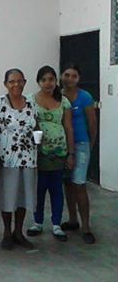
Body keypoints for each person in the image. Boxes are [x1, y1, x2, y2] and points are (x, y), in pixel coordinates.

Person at [0, 68, 38, 250]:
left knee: (23, 196)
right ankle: (7, 233)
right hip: (6, 159)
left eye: (19, 81)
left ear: (25, 82)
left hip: (28, 158)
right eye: (11, 81)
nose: (16, 84)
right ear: (5, 84)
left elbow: (36, 126)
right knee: (8, 196)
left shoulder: (31, 104)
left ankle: (19, 232)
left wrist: (38, 138)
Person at [27, 65, 74, 242]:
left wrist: (70, 153)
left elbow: (68, 127)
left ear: (56, 81)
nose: (48, 83)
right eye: (44, 79)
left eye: (51, 79)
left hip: (59, 152)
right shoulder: (30, 100)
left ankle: (56, 224)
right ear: (38, 82)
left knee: (56, 189)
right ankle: (37, 222)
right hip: (38, 153)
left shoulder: (64, 101)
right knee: (39, 189)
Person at [60, 63, 97, 244]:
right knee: (68, 183)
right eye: (67, 75)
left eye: (74, 76)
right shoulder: (57, 95)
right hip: (63, 146)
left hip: (81, 145)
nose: (70, 79)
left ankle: (86, 226)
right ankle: (73, 219)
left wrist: (90, 145)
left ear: (78, 79)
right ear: (61, 76)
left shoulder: (85, 97)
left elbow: (92, 123)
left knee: (80, 184)